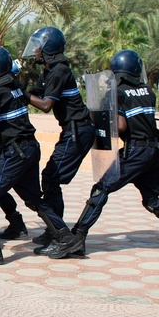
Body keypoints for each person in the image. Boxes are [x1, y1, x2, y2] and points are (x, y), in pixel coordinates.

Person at [0, 46, 82, 265]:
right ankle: (66, 237)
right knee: (33, 198)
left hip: (16, 151)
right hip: (30, 147)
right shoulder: (14, 87)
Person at [70, 50, 159, 252]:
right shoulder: (147, 91)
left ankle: (78, 236)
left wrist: (99, 117)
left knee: (102, 188)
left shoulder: (118, 92)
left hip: (137, 151)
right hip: (155, 151)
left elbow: (121, 126)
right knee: (152, 200)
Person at [22, 27, 96, 252]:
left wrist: (19, 91)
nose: (34, 50)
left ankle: (61, 236)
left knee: (51, 178)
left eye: (38, 45)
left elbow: (45, 105)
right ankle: (54, 230)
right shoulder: (49, 71)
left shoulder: (59, 71)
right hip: (72, 131)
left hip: (78, 131)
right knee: (51, 178)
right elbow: (31, 95)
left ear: (48, 48)